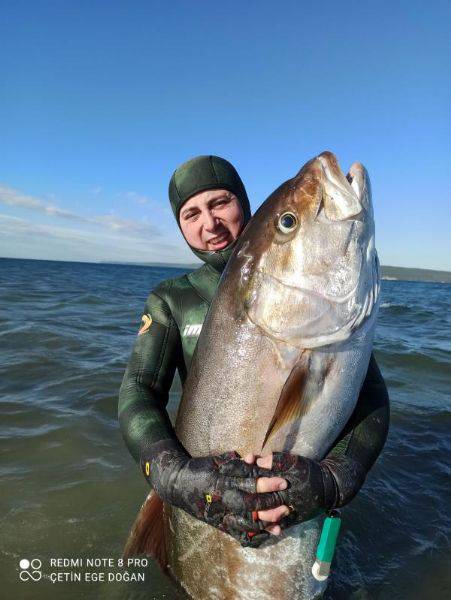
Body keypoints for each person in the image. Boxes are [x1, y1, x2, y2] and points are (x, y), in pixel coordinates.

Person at [118, 155, 389, 547]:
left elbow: (373, 398)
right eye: (190, 213)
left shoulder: (328, 320)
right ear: (180, 226)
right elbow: (138, 390)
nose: (208, 223)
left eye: (219, 203)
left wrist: (336, 478)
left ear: (245, 204)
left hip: (300, 507)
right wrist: (173, 478)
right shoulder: (171, 298)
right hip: (206, 506)